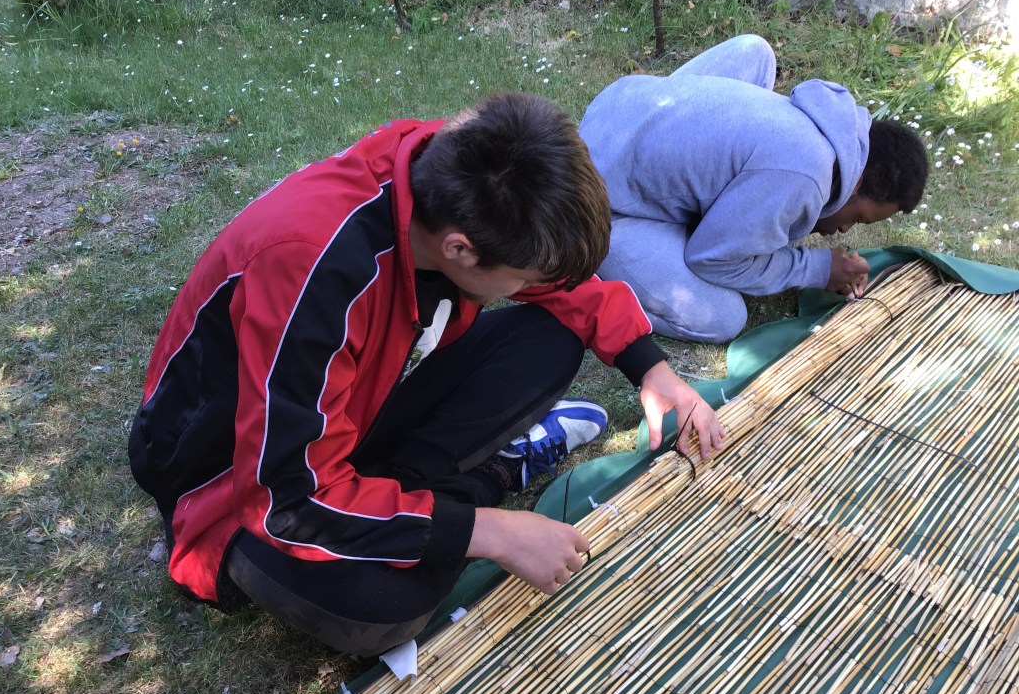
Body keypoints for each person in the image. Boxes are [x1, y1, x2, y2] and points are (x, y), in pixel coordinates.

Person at [128, 92, 726, 657]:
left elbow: (562, 286)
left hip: (349, 412)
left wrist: (651, 369)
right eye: (524, 279)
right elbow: (288, 503)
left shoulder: (457, 170)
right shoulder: (312, 272)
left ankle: (411, 505)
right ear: (460, 249)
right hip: (233, 489)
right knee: (385, 605)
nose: (533, 288)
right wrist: (489, 532)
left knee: (553, 336)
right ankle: (488, 481)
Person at [578, 34, 930, 343]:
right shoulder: (805, 176)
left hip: (619, 109)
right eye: (859, 219)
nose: (845, 229)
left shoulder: (832, 125)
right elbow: (711, 259)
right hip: (593, 195)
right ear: (856, 185)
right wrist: (817, 269)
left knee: (755, 51)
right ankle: (588, 275)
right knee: (723, 318)